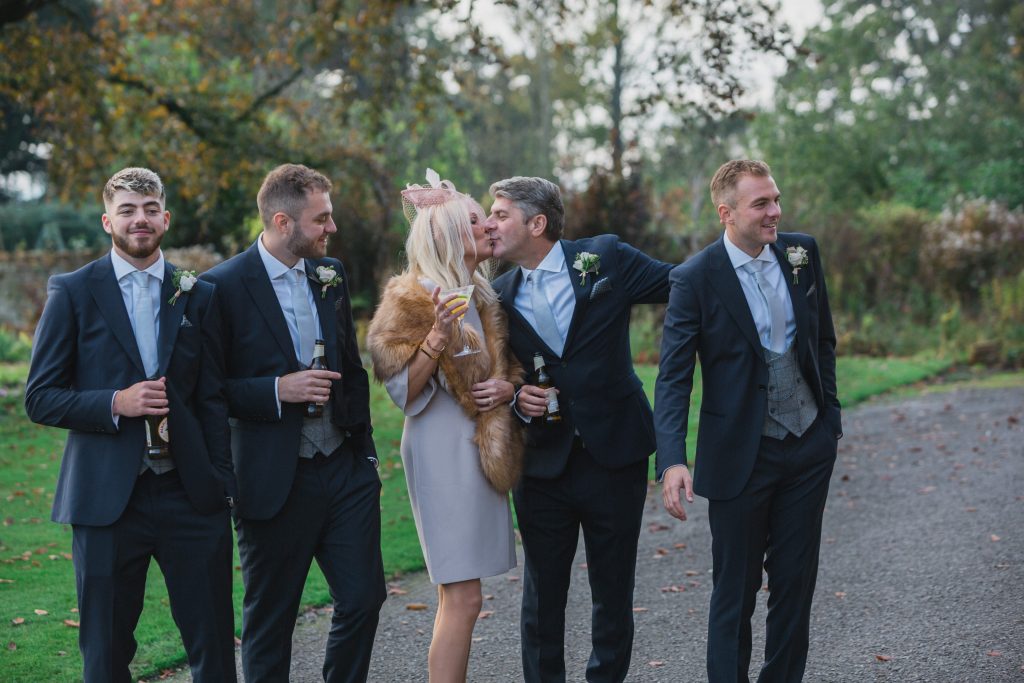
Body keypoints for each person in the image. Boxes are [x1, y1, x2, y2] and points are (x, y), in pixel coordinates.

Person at [24, 167, 237, 682]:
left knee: (213, 644)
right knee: (106, 650)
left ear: (165, 218)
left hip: (190, 492)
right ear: (108, 221)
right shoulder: (73, 291)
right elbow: (40, 398)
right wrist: (116, 402)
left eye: (149, 209)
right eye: (127, 210)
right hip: (106, 502)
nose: (139, 219)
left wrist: (221, 482)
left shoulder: (197, 293)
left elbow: (211, 398)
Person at [654, 159, 843, 682]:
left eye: (776, 199)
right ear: (727, 213)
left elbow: (823, 339)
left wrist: (830, 422)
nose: (775, 211)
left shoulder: (802, 253)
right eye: (761, 203)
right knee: (734, 593)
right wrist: (672, 459)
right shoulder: (695, 278)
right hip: (740, 454)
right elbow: (673, 379)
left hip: (808, 447)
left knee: (795, 585)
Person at [201, 163, 385, 682]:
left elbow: (351, 367)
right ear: (283, 222)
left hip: (344, 467)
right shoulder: (220, 287)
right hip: (271, 478)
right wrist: (276, 390)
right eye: (321, 219)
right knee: (270, 620)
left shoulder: (331, 274)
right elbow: (208, 392)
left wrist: (366, 457)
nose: (332, 228)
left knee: (364, 599)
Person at [484, 176, 672, 682]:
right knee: (541, 596)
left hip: (616, 452)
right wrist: (519, 400)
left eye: (500, 214)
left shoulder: (605, 258)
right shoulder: (495, 297)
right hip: (541, 464)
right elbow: (498, 377)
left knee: (613, 590)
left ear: (537, 223)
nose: (490, 224)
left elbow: (683, 286)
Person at [366, 170, 523, 681]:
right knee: (464, 597)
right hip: (441, 452)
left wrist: (506, 389)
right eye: (476, 221)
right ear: (451, 235)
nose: (488, 227)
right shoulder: (417, 296)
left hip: (474, 448)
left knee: (458, 595)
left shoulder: (478, 296)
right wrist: (435, 338)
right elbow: (402, 394)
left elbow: (494, 371)